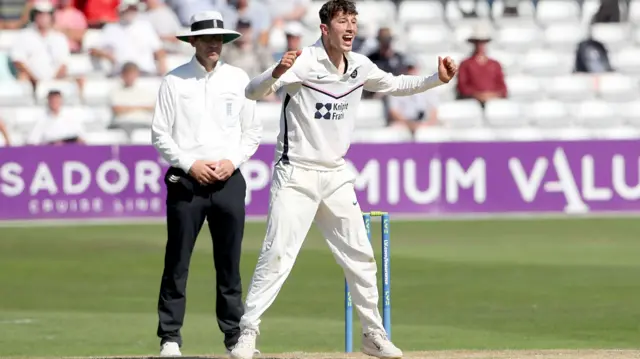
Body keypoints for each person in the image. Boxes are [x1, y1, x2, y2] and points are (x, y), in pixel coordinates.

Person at [229, 1, 457, 359]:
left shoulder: (361, 65)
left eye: (353, 21)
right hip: (296, 172)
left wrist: (435, 79)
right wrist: (275, 72)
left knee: (361, 257)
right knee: (277, 255)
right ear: (325, 29)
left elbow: (397, 84)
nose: (350, 27)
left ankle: (373, 335)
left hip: (335, 173)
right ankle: (247, 333)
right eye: (342, 21)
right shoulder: (302, 61)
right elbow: (252, 92)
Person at [150, 10, 262, 357]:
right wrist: (190, 164)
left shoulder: (239, 79)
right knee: (178, 260)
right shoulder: (174, 80)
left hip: (228, 179)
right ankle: (170, 337)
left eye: (219, 39)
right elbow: (160, 135)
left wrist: (231, 162)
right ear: (193, 41)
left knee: (229, 262)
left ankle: (233, 337)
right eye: (207, 39)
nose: (214, 44)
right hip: (187, 181)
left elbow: (252, 132)